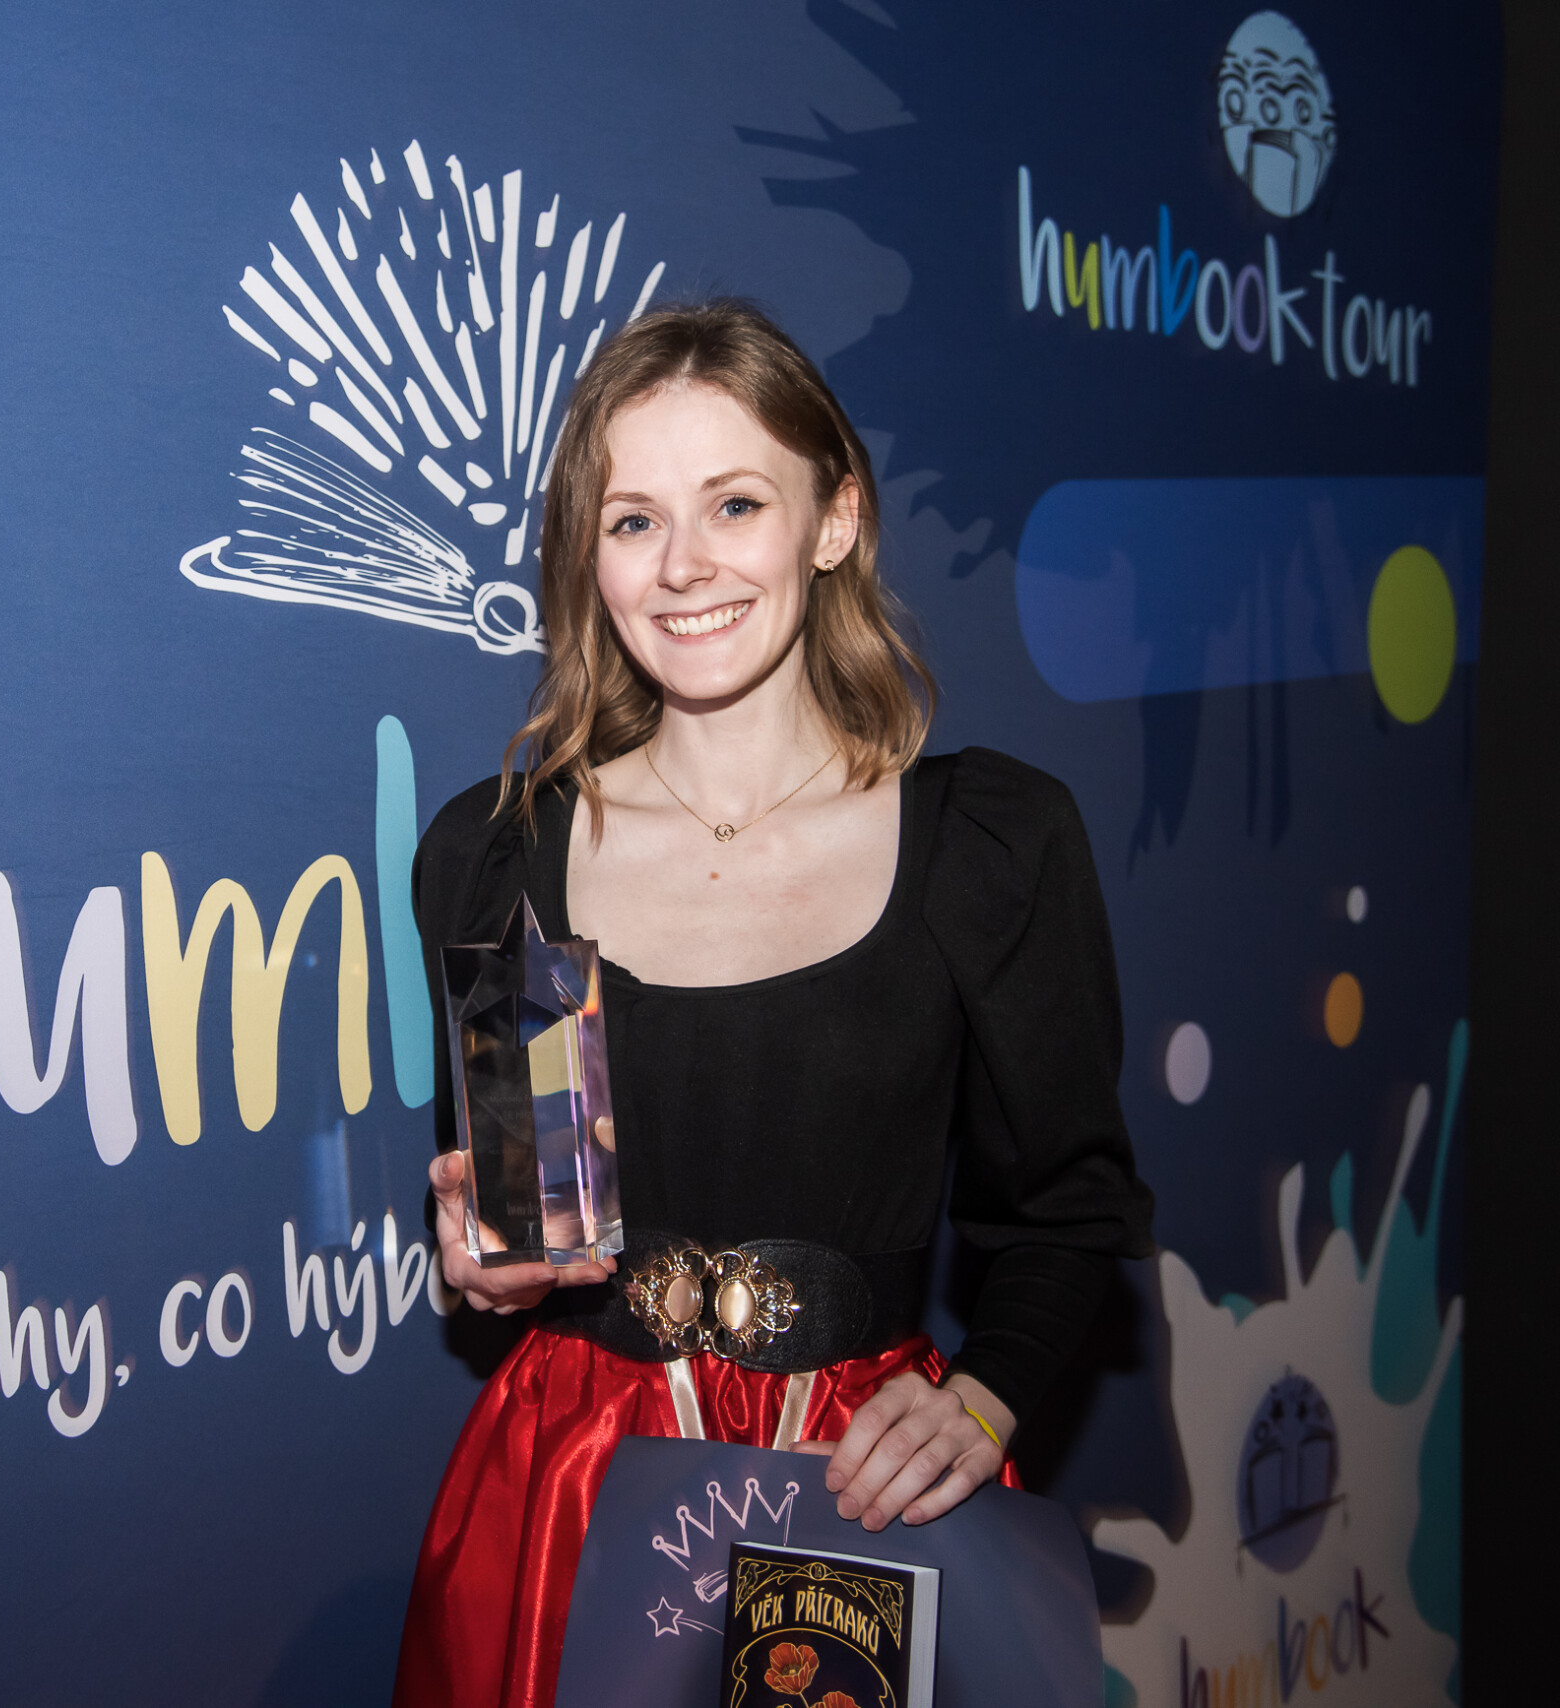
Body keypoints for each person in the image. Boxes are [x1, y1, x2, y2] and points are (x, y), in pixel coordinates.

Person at [389, 301, 1154, 1708]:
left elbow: (1065, 1212)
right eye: (632, 521)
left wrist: (985, 1400)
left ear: (834, 518)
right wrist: (496, 1261)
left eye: (734, 503)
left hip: (856, 1492)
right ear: (588, 560)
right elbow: (530, 1223)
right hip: (568, 1494)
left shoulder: (986, 847)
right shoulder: (505, 856)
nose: (683, 565)